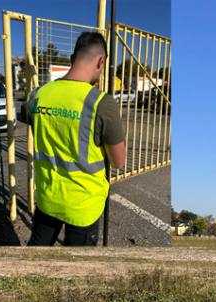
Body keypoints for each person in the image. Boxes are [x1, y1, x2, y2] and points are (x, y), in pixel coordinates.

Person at [22, 31, 126, 246]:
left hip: (47, 198)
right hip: (83, 206)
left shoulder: (39, 94)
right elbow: (119, 161)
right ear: (101, 61)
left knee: (36, 259)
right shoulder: (101, 103)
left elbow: (29, 118)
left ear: (72, 59)